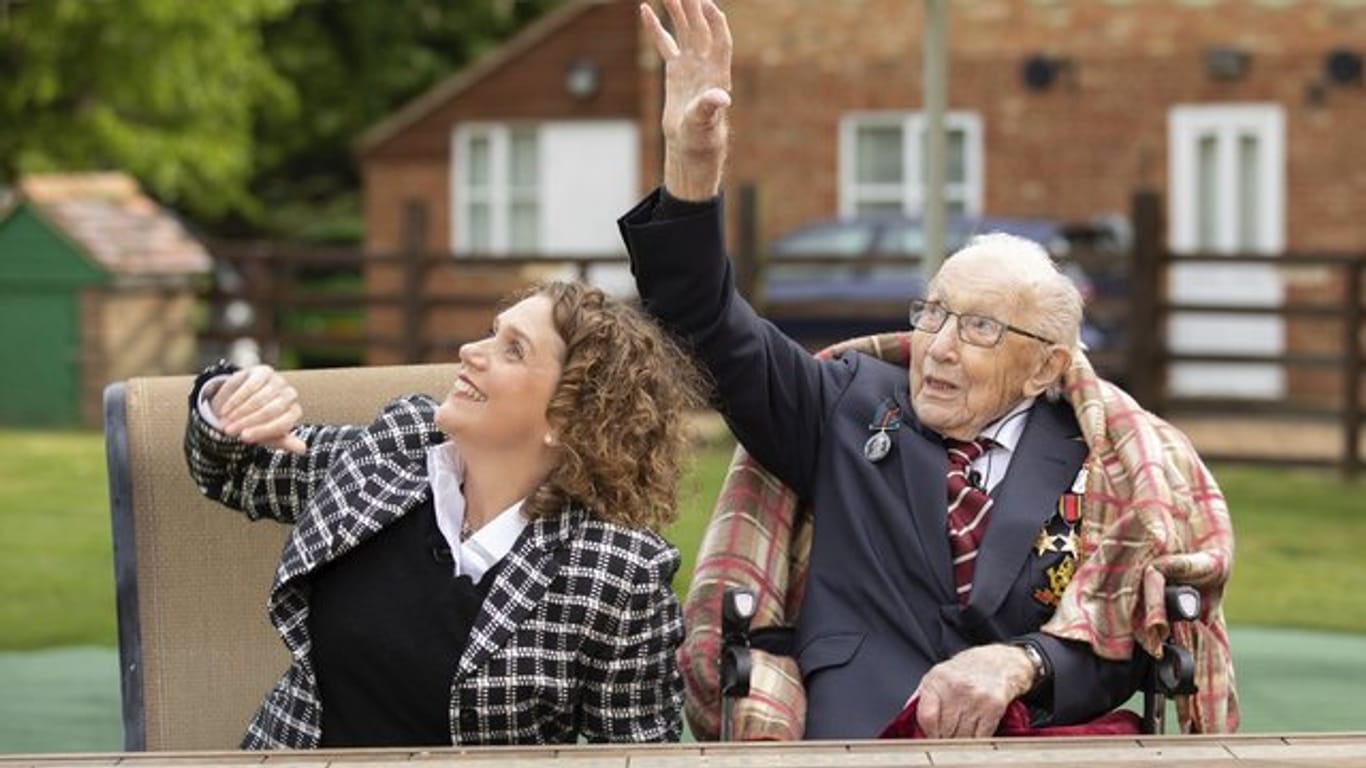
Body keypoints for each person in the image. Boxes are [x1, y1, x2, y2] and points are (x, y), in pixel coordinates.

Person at [619, 0, 1236, 740]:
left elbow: (1133, 647)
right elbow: (703, 322)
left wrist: (1024, 663)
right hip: (856, 743)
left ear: (1043, 365)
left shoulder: (1101, 458)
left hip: (1031, 746)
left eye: (978, 327)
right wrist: (693, 165)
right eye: (933, 313)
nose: (939, 346)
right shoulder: (843, 405)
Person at [183, 280, 704, 749]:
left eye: (513, 350)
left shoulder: (615, 573)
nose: (470, 352)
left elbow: (639, 755)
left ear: (567, 416)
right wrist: (227, 403)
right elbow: (237, 473)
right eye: (490, 333)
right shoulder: (396, 446)